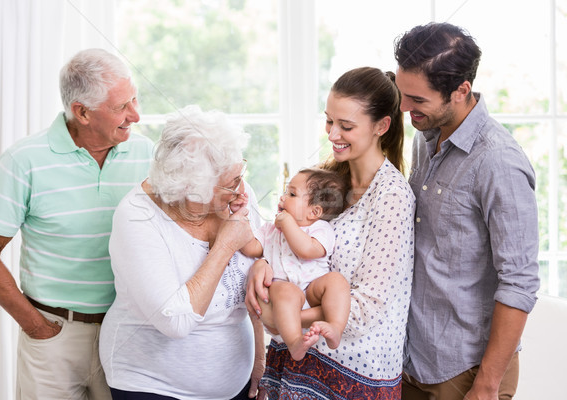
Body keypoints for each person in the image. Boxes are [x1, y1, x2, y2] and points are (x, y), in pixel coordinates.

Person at [0, 48, 153, 399]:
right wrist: (35, 325)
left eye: (134, 99)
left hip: (127, 332)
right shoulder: (24, 160)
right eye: (121, 107)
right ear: (82, 112)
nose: (136, 115)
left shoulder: (147, 155)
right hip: (53, 335)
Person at [246, 67, 416, 399]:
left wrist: (287, 318)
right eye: (329, 121)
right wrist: (263, 263)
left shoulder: (392, 197)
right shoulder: (325, 180)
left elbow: (366, 308)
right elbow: (282, 238)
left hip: (355, 374)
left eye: (346, 126)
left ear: (382, 126)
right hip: (303, 361)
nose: (332, 134)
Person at [394, 22, 540, 400]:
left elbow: (519, 282)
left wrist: (488, 384)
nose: (404, 108)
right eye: (402, 94)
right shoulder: (424, 137)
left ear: (461, 91)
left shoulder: (499, 162)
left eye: (418, 100)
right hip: (412, 358)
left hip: (467, 372)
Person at [98, 105, 265, 400]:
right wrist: (225, 245)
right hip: (153, 386)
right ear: (191, 188)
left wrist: (260, 359)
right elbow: (175, 321)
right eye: (231, 184)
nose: (242, 192)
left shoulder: (236, 189)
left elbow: (264, 260)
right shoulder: (137, 216)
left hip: (236, 386)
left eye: (241, 175)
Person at [240, 167, 350, 361]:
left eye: (291, 194)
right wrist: (240, 217)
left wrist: (288, 224)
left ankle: (335, 326)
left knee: (336, 281)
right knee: (285, 291)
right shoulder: (270, 229)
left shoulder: (321, 229)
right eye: (284, 192)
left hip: (313, 291)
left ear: (314, 212)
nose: (282, 198)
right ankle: (295, 342)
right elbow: (250, 248)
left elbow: (307, 250)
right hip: (285, 293)